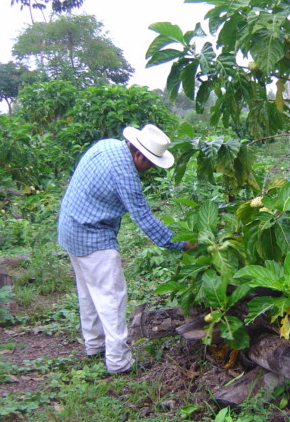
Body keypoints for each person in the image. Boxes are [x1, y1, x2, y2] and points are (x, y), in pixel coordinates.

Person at [58, 123, 196, 374]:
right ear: (138, 155)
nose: (151, 169)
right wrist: (182, 243)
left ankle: (94, 346)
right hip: (93, 237)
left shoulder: (107, 145)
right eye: (151, 163)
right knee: (112, 300)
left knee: (88, 293)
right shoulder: (126, 175)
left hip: (70, 229)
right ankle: (119, 363)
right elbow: (144, 218)